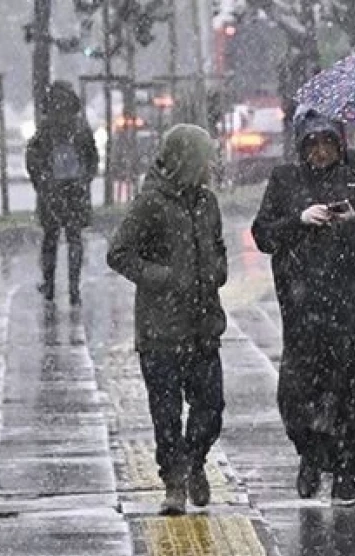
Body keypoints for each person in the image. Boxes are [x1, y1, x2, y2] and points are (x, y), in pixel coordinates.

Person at [251, 109, 355, 508]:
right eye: (312, 144)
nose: (321, 152)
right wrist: (299, 221)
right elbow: (264, 234)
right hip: (305, 309)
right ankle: (310, 455)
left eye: (328, 143)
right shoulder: (286, 179)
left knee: (353, 396)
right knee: (301, 393)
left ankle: (344, 475)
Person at [107, 124, 227, 516]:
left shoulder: (208, 203)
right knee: (166, 413)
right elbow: (119, 253)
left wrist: (217, 271)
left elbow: (219, 247)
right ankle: (173, 479)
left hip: (204, 324)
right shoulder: (151, 203)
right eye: (205, 156)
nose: (211, 164)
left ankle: (195, 460)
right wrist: (163, 278)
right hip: (161, 330)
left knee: (210, 407)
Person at [26, 81, 99, 305]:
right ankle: (74, 287)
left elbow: (32, 159)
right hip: (75, 191)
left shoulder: (45, 129)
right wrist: (84, 179)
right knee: (74, 238)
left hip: (52, 192)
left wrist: (42, 182)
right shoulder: (80, 128)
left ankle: (49, 285)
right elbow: (92, 158)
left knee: (50, 238)